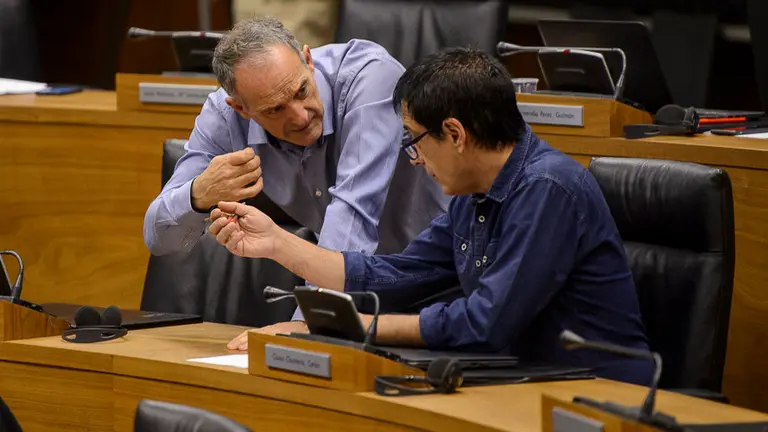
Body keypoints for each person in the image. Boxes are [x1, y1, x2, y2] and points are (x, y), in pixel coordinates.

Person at [208, 47, 654, 385]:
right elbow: (397, 274)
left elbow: (483, 324)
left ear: (455, 134)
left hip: (598, 394)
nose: (416, 159)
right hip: (519, 383)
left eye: (414, 141)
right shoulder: (473, 194)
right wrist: (277, 243)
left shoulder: (548, 188)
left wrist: (350, 328)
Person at [142, 17, 449, 323]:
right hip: (354, 294)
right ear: (241, 109)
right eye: (275, 109)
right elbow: (158, 237)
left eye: (301, 91)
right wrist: (198, 195)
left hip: (440, 282)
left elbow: (352, 221)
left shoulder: (370, 78)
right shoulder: (223, 116)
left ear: (308, 60)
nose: (301, 117)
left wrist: (303, 327)